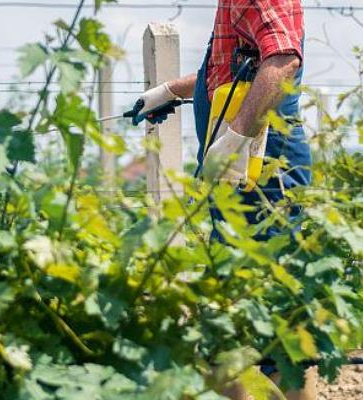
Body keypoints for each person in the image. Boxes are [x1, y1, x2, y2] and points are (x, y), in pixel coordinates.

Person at [132, 0, 316, 399]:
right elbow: (233, 70)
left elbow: (282, 60)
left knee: (230, 336)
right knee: (277, 332)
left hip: (263, 176)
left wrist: (236, 137)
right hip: (249, 174)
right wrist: (170, 91)